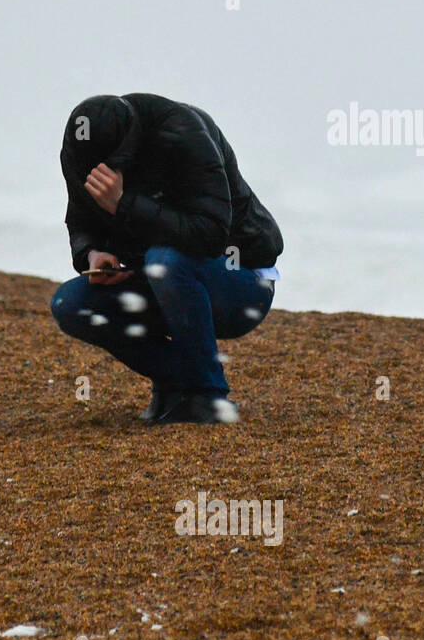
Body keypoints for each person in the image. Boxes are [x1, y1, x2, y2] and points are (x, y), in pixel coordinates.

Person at [50, 93, 283, 425]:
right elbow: (81, 221)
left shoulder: (184, 132)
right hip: (161, 278)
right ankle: (175, 384)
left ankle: (207, 396)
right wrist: (93, 254)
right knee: (70, 303)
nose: (98, 176)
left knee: (165, 260)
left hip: (241, 281)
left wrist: (123, 204)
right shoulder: (79, 155)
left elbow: (211, 235)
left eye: (110, 167)